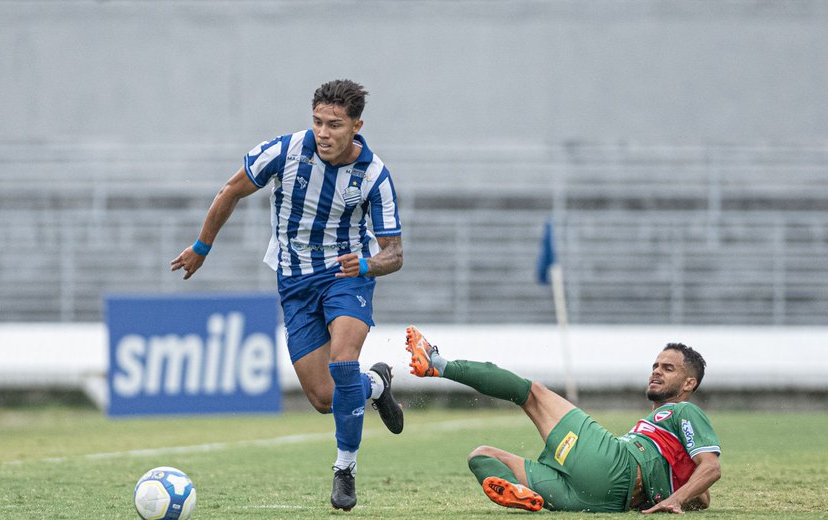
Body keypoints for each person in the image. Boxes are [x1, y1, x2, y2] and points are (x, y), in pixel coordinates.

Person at [170, 79, 404, 511]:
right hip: (294, 283)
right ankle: (375, 384)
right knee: (323, 397)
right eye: (317, 122)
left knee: (343, 361)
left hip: (345, 277)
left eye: (334, 124)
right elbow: (231, 191)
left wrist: (367, 265)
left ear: (356, 126)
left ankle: (345, 469)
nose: (323, 132)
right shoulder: (284, 151)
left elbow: (394, 253)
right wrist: (201, 247)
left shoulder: (373, 175)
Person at [404, 326, 721, 514]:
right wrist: (677, 493)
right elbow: (702, 499)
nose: (656, 370)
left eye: (668, 368)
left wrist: (676, 499)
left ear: (689, 384)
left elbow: (711, 467)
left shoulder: (683, 411)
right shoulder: (662, 438)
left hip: (613, 464)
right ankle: (524, 494)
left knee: (533, 394)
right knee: (482, 456)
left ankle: (437, 363)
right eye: (655, 365)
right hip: (598, 500)